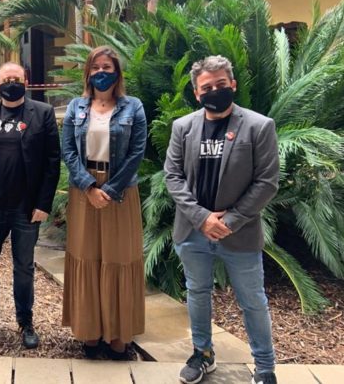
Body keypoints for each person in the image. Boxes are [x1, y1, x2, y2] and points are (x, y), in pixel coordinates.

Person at [164, 55, 279, 384]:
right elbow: (172, 177)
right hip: (193, 231)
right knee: (197, 293)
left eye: (220, 84)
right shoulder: (183, 128)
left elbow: (267, 181)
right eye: (207, 87)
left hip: (238, 233)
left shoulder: (259, 126)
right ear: (197, 93)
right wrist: (202, 218)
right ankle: (203, 354)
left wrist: (230, 219)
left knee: (252, 301)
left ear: (233, 85)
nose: (215, 91)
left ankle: (265, 367)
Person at [0, 62, 60, 349]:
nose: (12, 82)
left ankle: (25, 321)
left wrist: (44, 203)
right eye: (6, 79)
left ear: (26, 81)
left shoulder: (42, 113)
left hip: (26, 209)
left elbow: (52, 162)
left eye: (17, 78)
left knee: (24, 267)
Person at [61, 45, 146, 360]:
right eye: (95, 67)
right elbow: (68, 150)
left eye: (107, 66)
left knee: (119, 259)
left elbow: (137, 152)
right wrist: (88, 186)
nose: (101, 72)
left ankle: (118, 336)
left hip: (120, 193)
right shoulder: (75, 107)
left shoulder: (133, 107)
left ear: (117, 71)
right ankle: (91, 334)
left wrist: (109, 189)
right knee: (87, 257)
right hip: (84, 193)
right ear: (88, 72)